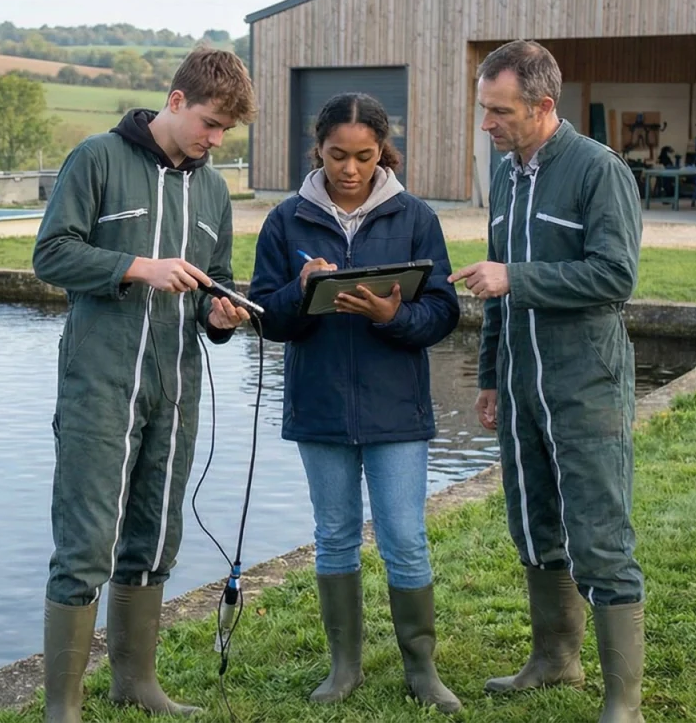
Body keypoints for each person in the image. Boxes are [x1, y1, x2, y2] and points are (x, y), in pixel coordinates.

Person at [31, 46, 255, 723]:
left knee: (156, 536)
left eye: (226, 133)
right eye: (210, 124)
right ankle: (61, 708)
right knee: (86, 545)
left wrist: (221, 315)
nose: (215, 141)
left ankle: (136, 685)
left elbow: (216, 285)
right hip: (100, 385)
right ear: (178, 101)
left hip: (176, 389)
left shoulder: (214, 190)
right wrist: (138, 266)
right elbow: (50, 254)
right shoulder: (96, 158)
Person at [449, 39, 646, 723]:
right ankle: (555, 659)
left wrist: (516, 278)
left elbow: (615, 277)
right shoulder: (505, 175)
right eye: (483, 109)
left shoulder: (599, 172)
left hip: (585, 384)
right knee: (533, 522)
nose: (486, 125)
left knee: (598, 531)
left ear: (542, 107)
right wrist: (489, 375)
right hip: (520, 384)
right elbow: (498, 282)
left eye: (499, 112)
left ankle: (624, 700)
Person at [247, 92, 463, 713]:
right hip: (320, 407)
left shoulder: (416, 216)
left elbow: (442, 312)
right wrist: (301, 288)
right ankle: (344, 667)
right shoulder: (285, 220)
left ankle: (422, 669)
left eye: (364, 156)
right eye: (338, 155)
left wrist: (394, 315)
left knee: (404, 536)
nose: (350, 169)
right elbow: (268, 316)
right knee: (335, 536)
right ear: (317, 149)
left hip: (397, 409)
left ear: (381, 152)